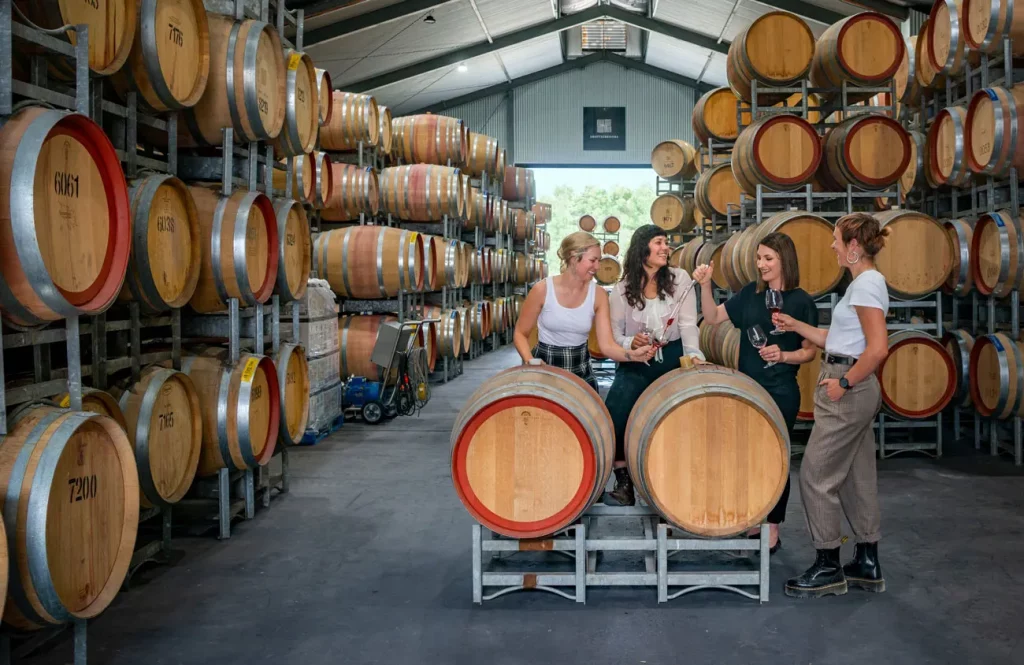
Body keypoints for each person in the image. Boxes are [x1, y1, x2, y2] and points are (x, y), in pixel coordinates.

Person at [772, 213, 890, 598]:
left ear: (854, 247)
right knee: (858, 478)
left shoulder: (867, 285)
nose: (832, 246)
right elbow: (837, 338)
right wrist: (796, 326)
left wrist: (843, 382)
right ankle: (867, 561)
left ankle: (827, 564)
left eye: (837, 240)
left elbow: (877, 349)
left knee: (815, 476)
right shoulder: (862, 284)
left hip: (848, 390)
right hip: (851, 387)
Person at [693, 232, 820, 552]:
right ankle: (751, 516)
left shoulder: (803, 301)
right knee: (744, 455)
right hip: (747, 388)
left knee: (774, 458)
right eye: (758, 258)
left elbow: (809, 352)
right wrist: (706, 286)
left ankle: (772, 527)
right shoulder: (750, 293)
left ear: (784, 261)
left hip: (781, 390)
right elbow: (711, 318)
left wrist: (784, 356)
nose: (760, 264)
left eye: (768, 259)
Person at [602, 225, 706, 506]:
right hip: (636, 362)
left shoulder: (679, 278)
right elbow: (616, 335)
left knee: (678, 418)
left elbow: (687, 324)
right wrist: (630, 344)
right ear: (642, 248)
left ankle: (670, 483)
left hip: (670, 357)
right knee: (614, 416)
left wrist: (694, 355)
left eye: (666, 243)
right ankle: (624, 482)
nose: (665, 248)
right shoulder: (622, 289)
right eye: (658, 242)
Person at [513, 231, 655, 390]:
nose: (598, 267)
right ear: (574, 257)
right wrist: (530, 361)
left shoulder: (599, 294)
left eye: (599, 261)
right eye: (593, 260)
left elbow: (607, 345)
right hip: (545, 369)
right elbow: (520, 333)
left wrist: (632, 355)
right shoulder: (543, 290)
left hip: (581, 371)